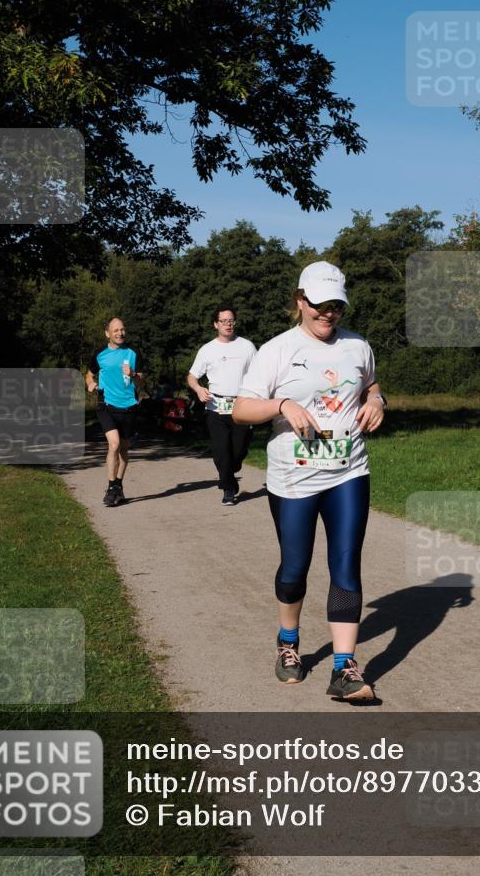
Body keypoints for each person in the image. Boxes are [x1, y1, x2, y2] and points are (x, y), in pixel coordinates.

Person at [233, 262, 386, 701]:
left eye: (336, 305)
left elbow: (371, 385)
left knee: (345, 564)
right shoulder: (276, 351)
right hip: (293, 478)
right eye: (319, 305)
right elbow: (242, 410)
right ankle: (288, 643)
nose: (328, 313)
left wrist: (378, 400)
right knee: (295, 566)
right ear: (300, 301)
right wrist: (282, 404)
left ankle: (344, 667)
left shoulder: (358, 346)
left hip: (348, 470)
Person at [187, 306, 257, 505]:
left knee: (237, 452)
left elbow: (258, 374)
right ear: (215, 324)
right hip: (215, 407)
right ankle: (228, 489)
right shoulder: (207, 349)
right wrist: (199, 389)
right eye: (224, 321)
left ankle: (229, 475)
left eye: (231, 320)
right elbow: (192, 377)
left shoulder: (247, 347)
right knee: (221, 451)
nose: (228, 324)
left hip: (242, 406)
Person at [85, 317, 144, 507]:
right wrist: (90, 384)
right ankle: (111, 487)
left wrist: (133, 375)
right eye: (116, 330)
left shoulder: (133, 353)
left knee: (124, 449)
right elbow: (89, 373)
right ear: (107, 333)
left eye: (122, 330)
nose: (120, 333)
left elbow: (142, 383)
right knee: (114, 444)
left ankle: (118, 485)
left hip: (129, 407)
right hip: (106, 406)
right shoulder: (99, 354)